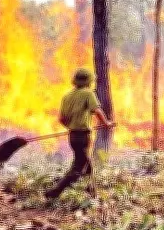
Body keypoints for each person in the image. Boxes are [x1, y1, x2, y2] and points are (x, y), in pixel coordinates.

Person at [45, 68, 114, 199]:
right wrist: (106, 124)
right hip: (83, 136)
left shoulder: (67, 96)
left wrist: (72, 126)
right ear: (89, 81)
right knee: (78, 168)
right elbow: (97, 110)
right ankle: (56, 191)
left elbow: (61, 119)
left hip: (73, 136)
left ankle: (92, 192)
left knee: (87, 164)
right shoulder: (88, 93)